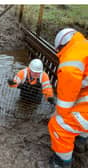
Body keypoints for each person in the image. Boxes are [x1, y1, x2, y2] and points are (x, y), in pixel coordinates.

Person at [48, 28, 88, 168]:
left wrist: (59, 110)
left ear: (61, 46)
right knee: (79, 115)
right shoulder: (83, 47)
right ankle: (80, 142)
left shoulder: (70, 62)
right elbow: (80, 85)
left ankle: (61, 162)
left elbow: (64, 106)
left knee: (57, 124)